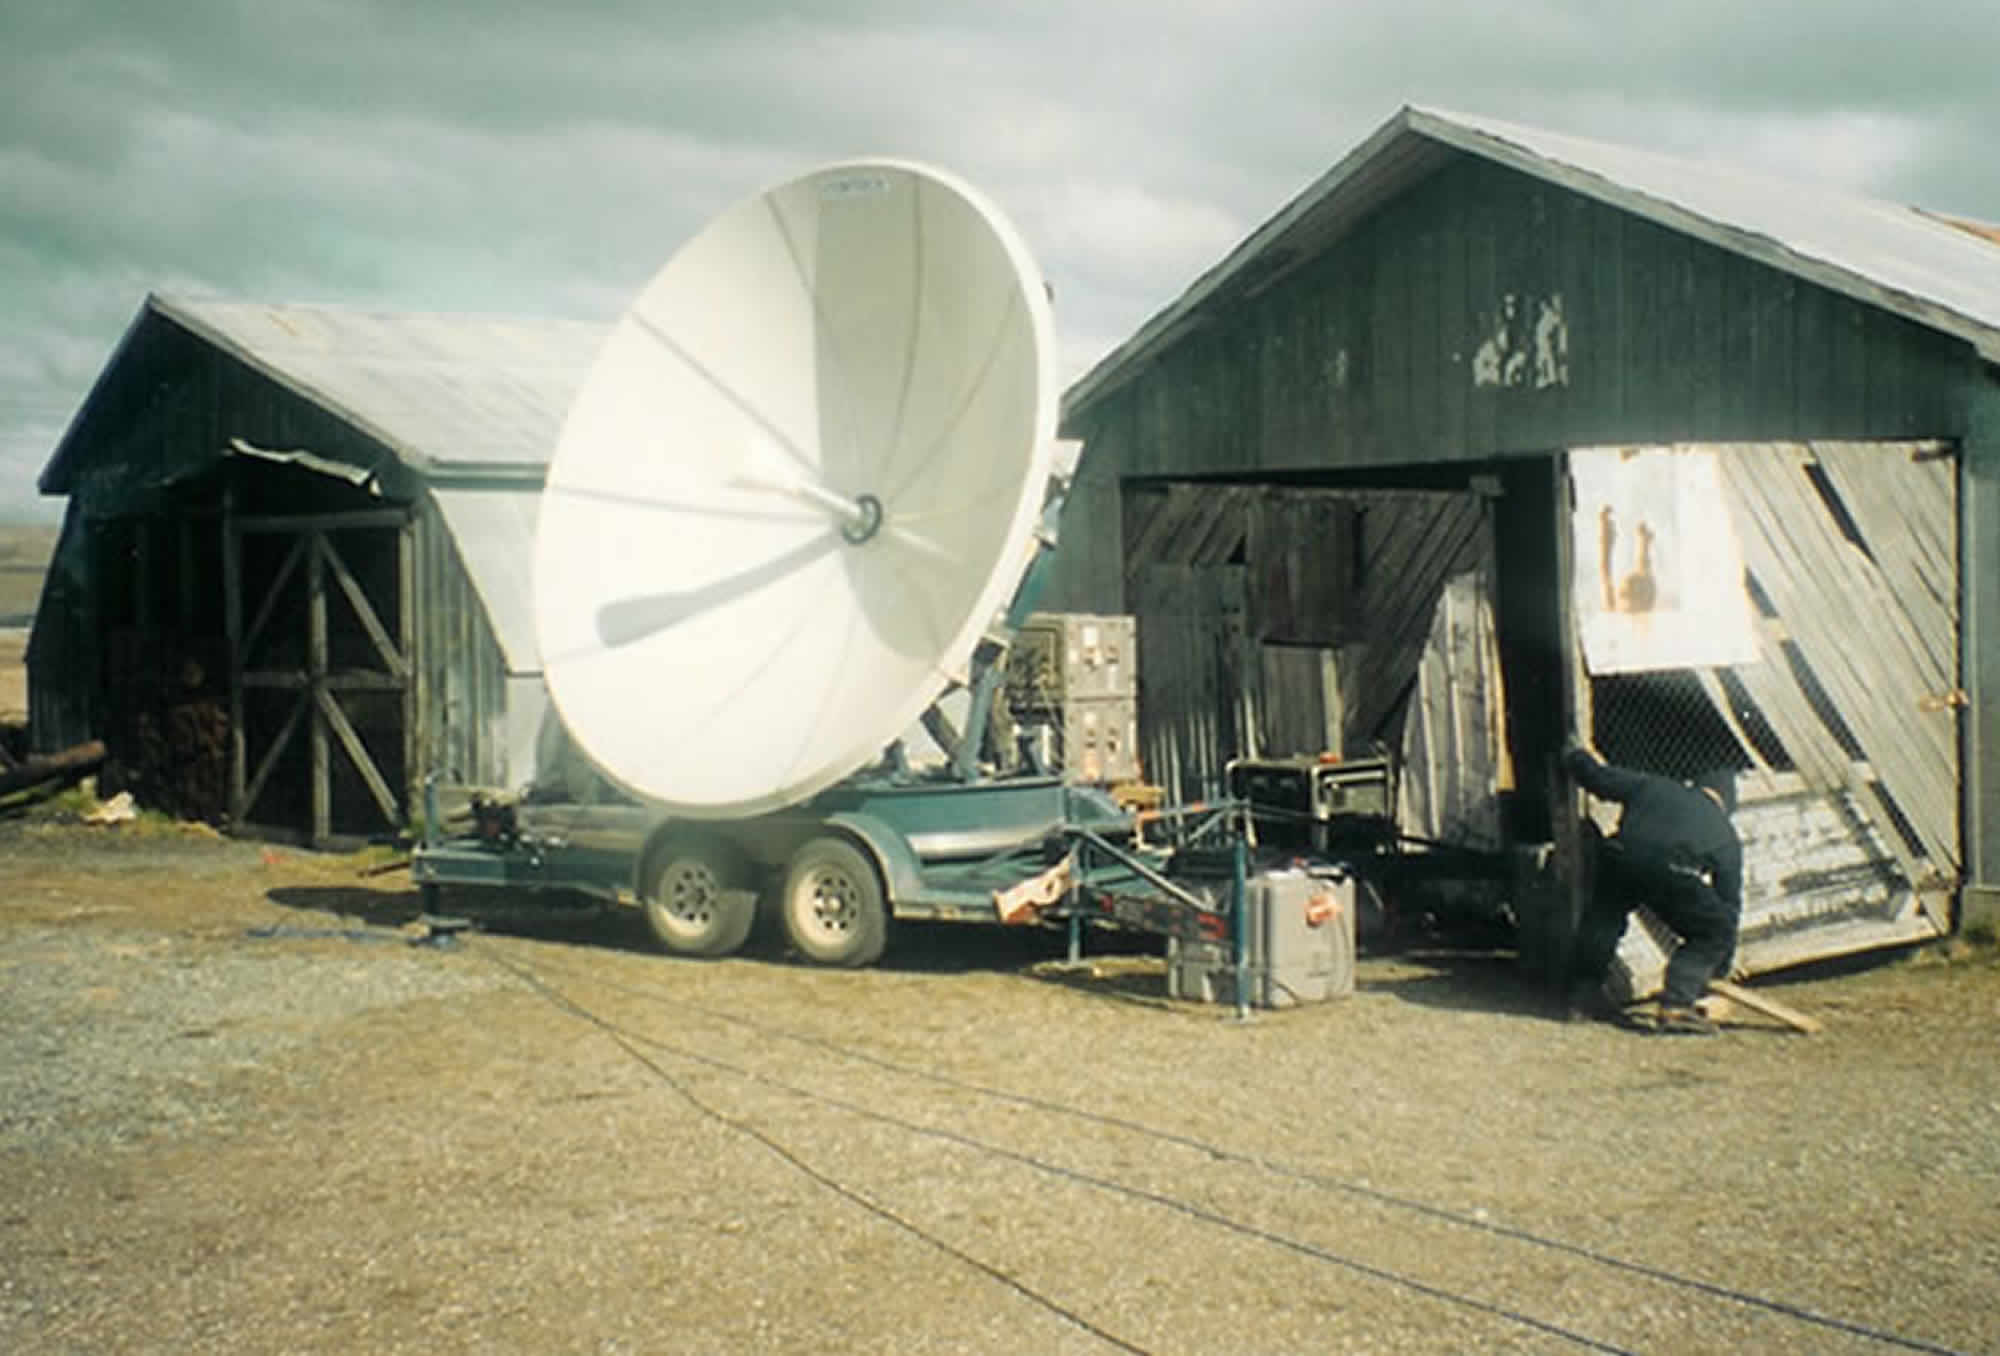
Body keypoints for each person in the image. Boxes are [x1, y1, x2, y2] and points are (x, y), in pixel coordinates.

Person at [1563, 742, 1742, 1035]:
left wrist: (1575, 756)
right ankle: (1676, 1005)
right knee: (1713, 929)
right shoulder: (1726, 836)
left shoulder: (1656, 786)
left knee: (1605, 918)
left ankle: (1583, 997)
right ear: (1727, 802)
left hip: (1621, 856)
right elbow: (1729, 903)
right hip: (1669, 871)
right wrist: (1719, 966)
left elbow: (1599, 778)